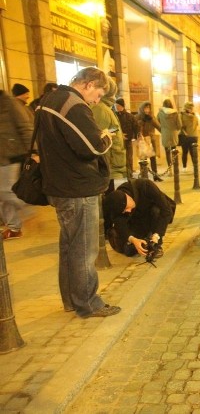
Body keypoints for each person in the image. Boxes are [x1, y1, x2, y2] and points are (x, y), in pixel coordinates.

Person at [35, 67, 121, 317]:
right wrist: (106, 137)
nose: (96, 101)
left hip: (58, 185)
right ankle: (88, 303)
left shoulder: (48, 100)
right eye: (98, 94)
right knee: (84, 248)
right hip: (77, 187)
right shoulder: (74, 105)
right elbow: (91, 148)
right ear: (88, 83)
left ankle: (71, 300)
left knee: (70, 246)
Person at [102, 179, 175, 258]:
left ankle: (155, 243)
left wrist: (157, 235)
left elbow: (167, 210)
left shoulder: (146, 186)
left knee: (156, 210)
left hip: (153, 217)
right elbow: (120, 224)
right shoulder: (117, 201)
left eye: (126, 208)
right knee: (129, 250)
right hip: (137, 222)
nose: (128, 211)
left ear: (127, 197)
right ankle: (145, 239)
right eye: (124, 211)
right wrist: (133, 239)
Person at [0, 90, 33, 240]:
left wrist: (33, 151)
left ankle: (27, 209)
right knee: (3, 196)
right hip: (3, 155)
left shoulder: (10, 103)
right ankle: (13, 228)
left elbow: (25, 128)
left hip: (10, 154)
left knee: (4, 192)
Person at [91, 78, 126, 191]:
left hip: (112, 163)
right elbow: (99, 138)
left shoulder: (105, 108)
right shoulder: (101, 109)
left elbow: (110, 130)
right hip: (108, 164)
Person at [136, 101, 162, 181]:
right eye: (145, 108)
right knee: (143, 158)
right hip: (142, 140)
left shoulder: (151, 117)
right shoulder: (138, 117)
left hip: (151, 139)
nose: (147, 110)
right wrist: (141, 122)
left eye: (148, 108)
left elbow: (159, 127)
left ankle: (155, 175)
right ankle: (144, 176)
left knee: (153, 158)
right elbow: (136, 128)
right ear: (142, 109)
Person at [114, 98, 138, 178]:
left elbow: (136, 127)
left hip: (128, 140)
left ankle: (129, 174)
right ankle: (123, 173)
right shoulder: (115, 115)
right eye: (116, 105)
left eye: (118, 105)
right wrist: (120, 135)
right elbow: (114, 127)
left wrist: (135, 137)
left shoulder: (129, 116)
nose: (116, 107)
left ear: (122, 106)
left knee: (129, 157)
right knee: (120, 157)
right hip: (118, 140)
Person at [157, 98, 181, 173]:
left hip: (165, 134)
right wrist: (176, 128)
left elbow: (158, 122)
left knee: (167, 152)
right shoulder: (175, 113)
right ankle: (175, 167)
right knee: (174, 151)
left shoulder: (160, 113)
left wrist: (163, 128)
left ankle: (170, 169)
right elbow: (179, 125)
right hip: (173, 134)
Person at [180, 101, 198, 170]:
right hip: (194, 136)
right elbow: (197, 124)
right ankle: (195, 166)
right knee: (193, 153)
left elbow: (180, 126)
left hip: (185, 136)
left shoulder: (182, 115)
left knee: (185, 152)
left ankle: (184, 167)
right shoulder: (195, 116)